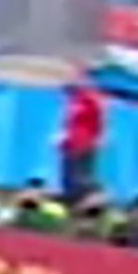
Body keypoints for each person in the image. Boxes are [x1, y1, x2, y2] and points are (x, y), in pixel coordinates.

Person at [60, 76, 105, 205]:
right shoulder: (75, 100)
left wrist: (98, 139)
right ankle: (72, 198)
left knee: (82, 174)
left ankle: (90, 197)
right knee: (71, 173)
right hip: (72, 142)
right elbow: (69, 122)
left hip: (84, 142)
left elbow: (99, 122)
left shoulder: (92, 100)